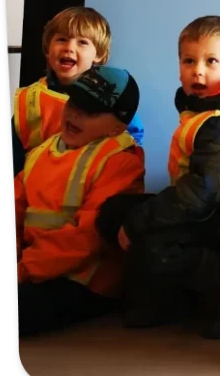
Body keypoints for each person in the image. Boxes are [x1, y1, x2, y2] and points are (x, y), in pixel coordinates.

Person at [99, 15, 220, 339]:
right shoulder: (205, 112)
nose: (198, 70)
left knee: (148, 238)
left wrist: (139, 224)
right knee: (114, 213)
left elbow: (201, 194)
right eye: (189, 60)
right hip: (217, 214)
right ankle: (176, 297)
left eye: (211, 61)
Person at [12, 66, 145, 336]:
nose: (76, 114)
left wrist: (23, 270)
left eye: (92, 111)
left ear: (117, 126)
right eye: (74, 102)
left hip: (86, 280)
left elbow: (87, 238)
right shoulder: (41, 152)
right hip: (33, 267)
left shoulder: (120, 160)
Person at [11, 7, 145, 177]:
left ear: (99, 54)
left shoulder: (112, 98)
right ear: (47, 48)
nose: (69, 48)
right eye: (61, 39)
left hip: (90, 187)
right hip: (36, 189)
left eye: (82, 42)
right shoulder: (29, 98)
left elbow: (131, 139)